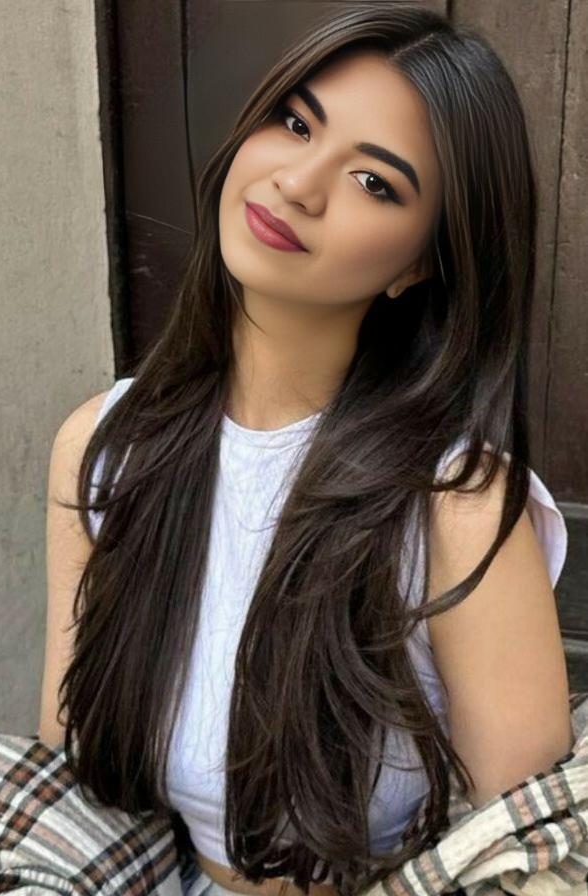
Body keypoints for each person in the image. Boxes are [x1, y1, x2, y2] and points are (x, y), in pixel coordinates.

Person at [39, 3, 572, 896]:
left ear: (420, 263)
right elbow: (70, 786)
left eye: (374, 182)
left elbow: (527, 856)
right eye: (295, 124)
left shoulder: (456, 506)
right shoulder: (104, 446)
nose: (297, 183)